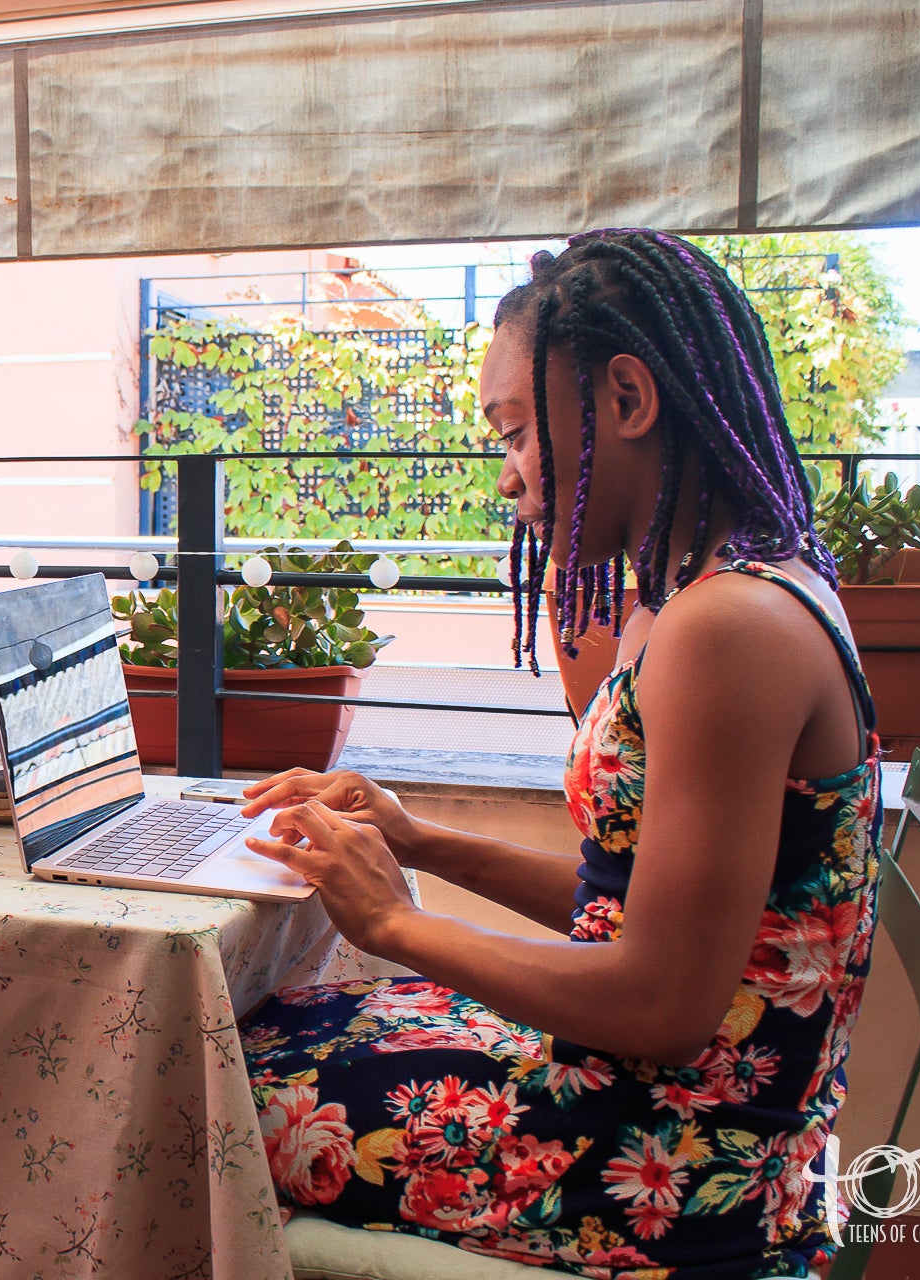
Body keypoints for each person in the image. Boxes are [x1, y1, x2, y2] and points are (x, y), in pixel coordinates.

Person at [239, 230, 880, 1278]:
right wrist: (420, 839)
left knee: (205, 1077)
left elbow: (662, 1003)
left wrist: (395, 919)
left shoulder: (728, 631)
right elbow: (626, 910)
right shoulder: (725, 591)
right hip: (683, 1118)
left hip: (666, 1165)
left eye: (520, 429)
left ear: (627, 398)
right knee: (287, 1017)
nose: (508, 477)